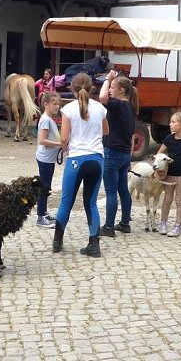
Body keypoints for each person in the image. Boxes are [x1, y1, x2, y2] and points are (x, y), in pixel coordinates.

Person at [51, 73, 108, 258]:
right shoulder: (100, 108)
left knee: (66, 201)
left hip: (76, 158)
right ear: (92, 88)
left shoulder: (68, 109)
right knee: (91, 203)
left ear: (72, 89)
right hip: (96, 158)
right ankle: (94, 244)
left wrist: (64, 145)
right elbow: (106, 130)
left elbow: (64, 138)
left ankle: (57, 241)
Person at [98, 70, 138, 237]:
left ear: (121, 90)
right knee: (123, 189)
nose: (109, 89)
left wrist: (108, 78)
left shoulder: (119, 104)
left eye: (112, 87)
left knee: (111, 191)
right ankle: (124, 222)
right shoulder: (131, 107)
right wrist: (129, 157)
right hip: (124, 154)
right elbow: (131, 136)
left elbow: (102, 98)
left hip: (112, 152)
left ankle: (108, 227)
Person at [35, 92, 62, 229]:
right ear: (46, 104)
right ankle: (41, 217)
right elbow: (43, 140)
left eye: (58, 104)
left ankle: (44, 212)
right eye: (54, 103)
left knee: (47, 186)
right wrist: (60, 144)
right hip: (45, 159)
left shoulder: (50, 119)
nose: (57, 106)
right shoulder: (46, 119)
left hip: (49, 159)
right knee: (44, 187)